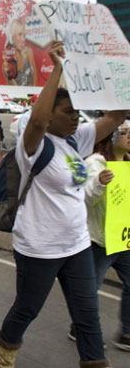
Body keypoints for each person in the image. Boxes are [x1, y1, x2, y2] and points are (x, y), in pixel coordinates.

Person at [0, 41, 127, 368]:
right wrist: (57, 69)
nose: (74, 119)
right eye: (67, 112)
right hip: (39, 248)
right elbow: (37, 124)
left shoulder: (74, 139)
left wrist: (118, 75)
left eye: (77, 114)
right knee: (27, 308)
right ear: (49, 113)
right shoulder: (33, 147)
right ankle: (6, 346)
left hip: (78, 244)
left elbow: (116, 116)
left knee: (87, 315)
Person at [67, 120, 130, 351]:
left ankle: (127, 332)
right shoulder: (95, 162)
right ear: (110, 137)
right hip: (99, 241)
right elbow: (84, 198)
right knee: (90, 288)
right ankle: (80, 327)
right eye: (124, 133)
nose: (129, 136)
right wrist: (100, 183)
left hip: (123, 239)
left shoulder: (128, 163)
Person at [2, 18, 38, 87]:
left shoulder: (28, 52)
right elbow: (14, 89)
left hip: (32, 95)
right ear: (12, 37)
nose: (23, 39)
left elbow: (35, 80)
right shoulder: (6, 65)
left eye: (24, 35)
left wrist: (35, 96)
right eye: (19, 34)